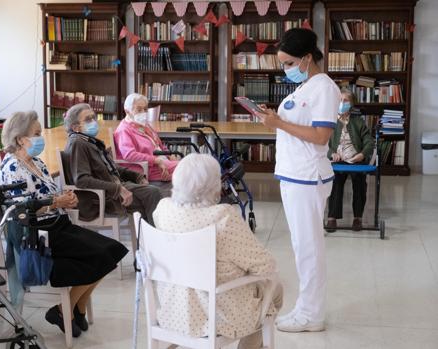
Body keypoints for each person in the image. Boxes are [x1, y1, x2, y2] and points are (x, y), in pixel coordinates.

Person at [0, 111, 128, 338]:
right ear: (20, 139)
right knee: (99, 256)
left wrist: (67, 199)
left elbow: (50, 195)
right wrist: (56, 202)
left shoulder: (37, 162)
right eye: (36, 134)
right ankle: (69, 309)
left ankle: (74, 306)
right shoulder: (12, 168)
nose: (41, 138)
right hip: (40, 235)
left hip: (59, 225)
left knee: (112, 250)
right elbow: (21, 211)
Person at [254, 28, 341, 332]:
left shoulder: (324, 88)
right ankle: (305, 307)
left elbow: (320, 136)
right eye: (282, 64)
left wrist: (278, 123)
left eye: (289, 63)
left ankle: (312, 314)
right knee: (300, 245)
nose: (285, 69)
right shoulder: (304, 87)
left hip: (307, 176)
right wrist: (273, 120)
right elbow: (295, 126)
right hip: (292, 175)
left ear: (306, 58)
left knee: (309, 247)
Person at [153, 153, 283, 349]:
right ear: (214, 185)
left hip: (173, 309)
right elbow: (266, 265)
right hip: (218, 315)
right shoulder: (223, 217)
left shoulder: (162, 209)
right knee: (274, 288)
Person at [63, 103, 162, 225]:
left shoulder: (88, 141)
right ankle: (155, 238)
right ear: (75, 127)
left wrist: (136, 176)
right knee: (153, 195)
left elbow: (110, 168)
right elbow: (82, 180)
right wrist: (117, 188)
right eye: (88, 119)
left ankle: (150, 237)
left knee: (153, 195)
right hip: (103, 198)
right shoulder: (77, 144)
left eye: (94, 117)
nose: (94, 121)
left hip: (114, 189)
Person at [327, 89, 374, 231]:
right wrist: (332, 153)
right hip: (339, 160)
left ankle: (357, 218)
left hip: (356, 159)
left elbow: (369, 142)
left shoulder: (358, 122)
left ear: (351, 104)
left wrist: (362, 154)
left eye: (346, 100)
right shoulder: (330, 122)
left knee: (359, 183)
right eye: (340, 100)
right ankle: (332, 217)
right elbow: (323, 144)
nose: (342, 103)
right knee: (336, 182)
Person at [114, 93, 178, 182]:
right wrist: (156, 160)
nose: (143, 113)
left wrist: (169, 154)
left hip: (162, 161)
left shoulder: (144, 125)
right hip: (147, 167)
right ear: (127, 111)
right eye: (139, 109)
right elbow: (129, 154)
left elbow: (159, 145)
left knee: (190, 167)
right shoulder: (124, 130)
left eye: (145, 109)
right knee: (188, 168)